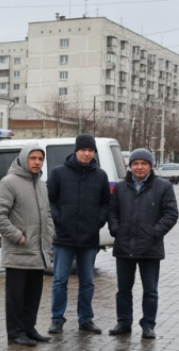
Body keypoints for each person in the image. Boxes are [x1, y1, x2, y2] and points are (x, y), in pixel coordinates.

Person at [107, 148, 178, 339]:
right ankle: (124, 323)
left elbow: (171, 214)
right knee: (123, 290)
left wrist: (155, 232)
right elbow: (112, 211)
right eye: (135, 163)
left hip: (150, 247)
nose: (139, 167)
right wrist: (116, 229)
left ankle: (148, 325)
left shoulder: (163, 187)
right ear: (130, 166)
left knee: (150, 290)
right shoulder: (121, 187)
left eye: (143, 163)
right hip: (124, 246)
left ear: (150, 165)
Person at [0, 145, 55, 347]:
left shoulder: (41, 185)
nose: (36, 162)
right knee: (16, 297)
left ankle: (29, 328)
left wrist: (49, 236)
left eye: (40, 159)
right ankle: (15, 333)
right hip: (19, 250)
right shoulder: (9, 183)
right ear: (24, 158)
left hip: (38, 251)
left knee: (33, 295)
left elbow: (48, 215)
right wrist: (17, 236)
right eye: (33, 158)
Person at [46, 134, 111, 335]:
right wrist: (60, 219)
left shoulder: (100, 176)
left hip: (89, 238)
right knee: (60, 280)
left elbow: (105, 204)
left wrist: (97, 223)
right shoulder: (58, 173)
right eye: (83, 150)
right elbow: (49, 202)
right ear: (76, 151)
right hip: (64, 237)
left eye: (90, 150)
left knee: (87, 281)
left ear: (94, 153)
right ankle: (57, 319)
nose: (86, 153)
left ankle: (86, 319)